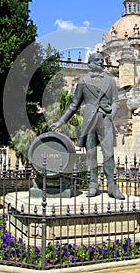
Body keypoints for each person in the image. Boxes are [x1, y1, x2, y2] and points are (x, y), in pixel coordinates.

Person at [50, 52, 125, 199]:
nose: (101, 62)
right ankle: (93, 186)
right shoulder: (83, 81)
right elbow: (74, 105)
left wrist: (112, 114)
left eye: (102, 60)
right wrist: (61, 121)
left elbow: (116, 101)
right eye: (97, 60)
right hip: (89, 121)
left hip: (105, 120)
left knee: (109, 154)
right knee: (91, 155)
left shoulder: (110, 81)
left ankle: (112, 187)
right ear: (90, 63)